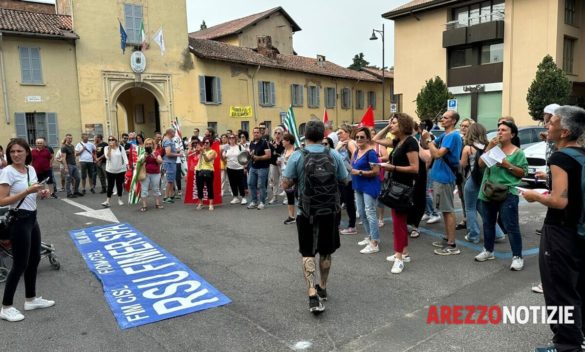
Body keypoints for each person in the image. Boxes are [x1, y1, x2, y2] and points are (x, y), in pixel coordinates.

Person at [522, 105, 585, 352]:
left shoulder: (559, 157)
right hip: (580, 229)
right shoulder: (582, 154)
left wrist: (534, 196)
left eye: (552, 122)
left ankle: (566, 345)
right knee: (579, 286)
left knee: (559, 290)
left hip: (560, 231)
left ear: (564, 131)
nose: (547, 125)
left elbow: (560, 201)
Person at [281, 120, 348, 313]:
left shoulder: (297, 156)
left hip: (306, 212)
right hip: (329, 211)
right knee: (326, 251)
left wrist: (296, 180)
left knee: (308, 252)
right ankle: (323, 287)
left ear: (306, 136)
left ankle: (312, 292)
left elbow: (285, 185)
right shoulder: (333, 154)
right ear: (323, 135)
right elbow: (345, 179)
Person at [0, 138, 54, 322]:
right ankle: (6, 307)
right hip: (19, 220)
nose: (16, 155)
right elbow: (1, 200)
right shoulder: (7, 172)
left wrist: (41, 192)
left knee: (34, 259)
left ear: (27, 153)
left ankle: (30, 299)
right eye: (12, 151)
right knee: (19, 264)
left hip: (32, 218)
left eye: (19, 151)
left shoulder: (30, 169)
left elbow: (34, 191)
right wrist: (27, 192)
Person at [475, 121, 528, 270]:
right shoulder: (494, 149)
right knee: (488, 223)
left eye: (504, 130)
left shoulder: (518, 152)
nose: (500, 132)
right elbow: (480, 164)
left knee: (511, 226)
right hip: (489, 191)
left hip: (507, 192)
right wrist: (490, 147)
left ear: (512, 134)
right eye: (498, 129)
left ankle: (517, 256)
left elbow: (523, 172)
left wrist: (507, 165)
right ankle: (488, 250)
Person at [374, 114, 421, 273]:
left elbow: (415, 168)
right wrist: (387, 126)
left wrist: (391, 167)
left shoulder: (410, 142)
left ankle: (399, 258)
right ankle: (403, 253)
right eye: (391, 123)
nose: (391, 126)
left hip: (403, 188)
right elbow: (376, 138)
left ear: (403, 125)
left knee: (398, 224)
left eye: (394, 123)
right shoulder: (399, 141)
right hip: (396, 186)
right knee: (398, 222)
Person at [421, 110, 463, 255]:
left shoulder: (453, 136)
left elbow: (437, 154)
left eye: (445, 118)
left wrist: (428, 140)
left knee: (448, 210)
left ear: (453, 121)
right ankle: (448, 238)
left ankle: (452, 245)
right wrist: (425, 136)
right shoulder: (445, 135)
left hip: (445, 178)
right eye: (442, 117)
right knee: (444, 210)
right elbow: (428, 147)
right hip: (439, 177)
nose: (442, 119)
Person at [460, 123, 506, 244]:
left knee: (470, 208)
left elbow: (463, 165)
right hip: (485, 181)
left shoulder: (468, 148)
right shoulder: (488, 146)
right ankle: (498, 234)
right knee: (482, 208)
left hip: (471, 180)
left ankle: (473, 235)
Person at [351, 127, 381, 254]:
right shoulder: (356, 151)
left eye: (362, 137)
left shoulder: (371, 153)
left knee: (370, 213)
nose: (359, 139)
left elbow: (376, 171)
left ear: (368, 138)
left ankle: (374, 243)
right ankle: (370, 237)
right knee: (362, 213)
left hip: (369, 186)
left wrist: (359, 172)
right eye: (357, 137)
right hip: (358, 186)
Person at [336, 124, 358, 235]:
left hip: (348, 178)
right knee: (339, 201)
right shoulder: (342, 143)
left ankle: (352, 226)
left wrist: (352, 168)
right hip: (342, 177)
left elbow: (355, 155)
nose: (339, 134)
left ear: (348, 133)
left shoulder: (350, 143)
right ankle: (337, 225)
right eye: (338, 132)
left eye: (341, 132)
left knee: (348, 202)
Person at [247, 127, 272, 210]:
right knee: (251, 183)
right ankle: (254, 201)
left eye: (257, 132)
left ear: (260, 134)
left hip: (263, 167)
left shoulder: (265, 143)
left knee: (261, 185)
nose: (256, 134)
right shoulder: (251, 143)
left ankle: (262, 202)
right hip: (253, 167)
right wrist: (250, 155)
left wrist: (258, 158)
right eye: (254, 132)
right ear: (253, 133)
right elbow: (252, 153)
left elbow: (268, 155)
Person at [101, 136, 128, 207]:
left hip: (120, 169)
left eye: (112, 139)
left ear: (115, 140)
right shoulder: (106, 148)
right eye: (109, 140)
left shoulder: (120, 148)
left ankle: (119, 199)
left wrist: (127, 165)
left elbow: (125, 157)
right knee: (110, 185)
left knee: (119, 185)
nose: (111, 141)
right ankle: (107, 201)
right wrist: (110, 148)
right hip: (110, 170)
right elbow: (107, 157)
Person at [139, 138, 163, 212]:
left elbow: (160, 162)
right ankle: (144, 205)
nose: (148, 145)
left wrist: (154, 156)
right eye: (147, 144)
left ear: (153, 145)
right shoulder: (142, 153)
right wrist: (145, 157)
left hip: (155, 173)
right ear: (145, 145)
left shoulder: (156, 152)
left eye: (150, 144)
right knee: (144, 189)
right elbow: (139, 163)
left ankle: (157, 204)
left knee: (156, 188)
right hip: (145, 173)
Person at [223, 134, 246, 205]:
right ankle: (235, 197)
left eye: (233, 138)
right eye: (230, 138)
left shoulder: (239, 146)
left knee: (241, 183)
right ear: (228, 139)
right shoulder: (227, 147)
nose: (231, 139)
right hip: (230, 168)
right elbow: (224, 157)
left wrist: (245, 167)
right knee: (232, 183)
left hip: (239, 168)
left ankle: (243, 197)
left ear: (235, 139)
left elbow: (245, 156)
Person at [195, 138, 217, 211]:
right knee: (199, 187)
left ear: (210, 143)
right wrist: (195, 151)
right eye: (204, 142)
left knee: (209, 187)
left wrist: (203, 152)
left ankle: (210, 204)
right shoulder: (201, 151)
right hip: (199, 170)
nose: (205, 144)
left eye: (207, 142)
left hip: (208, 170)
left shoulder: (213, 152)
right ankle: (201, 203)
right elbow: (192, 157)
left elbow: (208, 160)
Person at [281, 133, 297, 224]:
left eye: (284, 140)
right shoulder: (284, 151)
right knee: (289, 196)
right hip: (285, 176)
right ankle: (291, 216)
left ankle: (302, 215)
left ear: (289, 141)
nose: (282, 141)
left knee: (297, 196)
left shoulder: (295, 151)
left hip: (293, 178)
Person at [162, 128, 180, 203]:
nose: (175, 134)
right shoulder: (167, 140)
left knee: (172, 179)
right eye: (174, 132)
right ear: (170, 132)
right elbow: (168, 153)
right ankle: (166, 197)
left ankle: (171, 194)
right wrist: (179, 154)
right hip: (169, 162)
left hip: (171, 162)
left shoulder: (168, 140)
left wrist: (176, 151)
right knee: (169, 180)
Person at [61, 134, 83, 198]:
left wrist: (76, 162)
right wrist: (66, 167)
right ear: (66, 139)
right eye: (68, 138)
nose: (70, 139)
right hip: (68, 165)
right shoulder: (64, 147)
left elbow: (74, 155)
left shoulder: (72, 146)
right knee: (69, 179)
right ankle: (69, 193)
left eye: (71, 138)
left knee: (78, 178)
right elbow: (63, 158)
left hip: (74, 164)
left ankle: (76, 191)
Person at [268, 127, 285, 204]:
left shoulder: (284, 143)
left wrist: (277, 147)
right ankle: (275, 197)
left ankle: (287, 197)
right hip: (273, 164)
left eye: (279, 133)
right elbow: (269, 154)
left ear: (282, 135)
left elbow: (284, 153)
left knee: (285, 180)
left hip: (282, 164)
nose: (277, 135)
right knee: (274, 181)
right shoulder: (270, 143)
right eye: (275, 133)